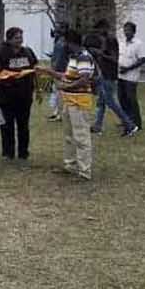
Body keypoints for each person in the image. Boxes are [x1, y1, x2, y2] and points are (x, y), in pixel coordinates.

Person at [41, 29, 97, 180]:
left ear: (71, 42)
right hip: (69, 101)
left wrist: (66, 87)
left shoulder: (84, 57)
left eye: (65, 41)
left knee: (81, 137)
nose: (63, 44)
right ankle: (70, 165)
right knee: (69, 136)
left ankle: (85, 171)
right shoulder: (74, 57)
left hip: (79, 102)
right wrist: (49, 72)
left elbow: (84, 79)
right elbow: (66, 76)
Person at [0, 27, 39, 164]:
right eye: (17, 37)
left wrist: (38, 87)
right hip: (7, 95)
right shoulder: (2, 53)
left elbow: (34, 69)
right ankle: (8, 152)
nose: (20, 40)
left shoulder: (27, 52)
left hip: (25, 94)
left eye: (21, 37)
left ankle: (23, 152)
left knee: (23, 125)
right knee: (7, 125)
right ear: (9, 39)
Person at [88, 21, 139, 137]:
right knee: (101, 102)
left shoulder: (110, 40)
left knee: (110, 102)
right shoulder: (105, 40)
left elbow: (114, 58)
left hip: (109, 75)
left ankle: (130, 125)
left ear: (105, 28)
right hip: (103, 74)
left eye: (100, 31)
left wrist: (100, 53)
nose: (98, 34)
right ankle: (97, 126)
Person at [117, 22, 145, 131]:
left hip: (131, 77)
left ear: (134, 32)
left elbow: (143, 59)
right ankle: (126, 120)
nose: (126, 32)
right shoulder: (121, 43)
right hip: (120, 76)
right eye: (125, 30)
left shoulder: (138, 44)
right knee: (122, 99)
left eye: (129, 30)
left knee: (131, 99)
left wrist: (128, 68)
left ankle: (137, 122)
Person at [46, 24, 69, 121]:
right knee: (56, 92)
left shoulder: (63, 43)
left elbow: (60, 58)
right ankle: (57, 112)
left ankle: (60, 114)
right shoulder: (59, 41)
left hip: (60, 70)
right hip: (57, 69)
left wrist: (54, 69)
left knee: (60, 93)